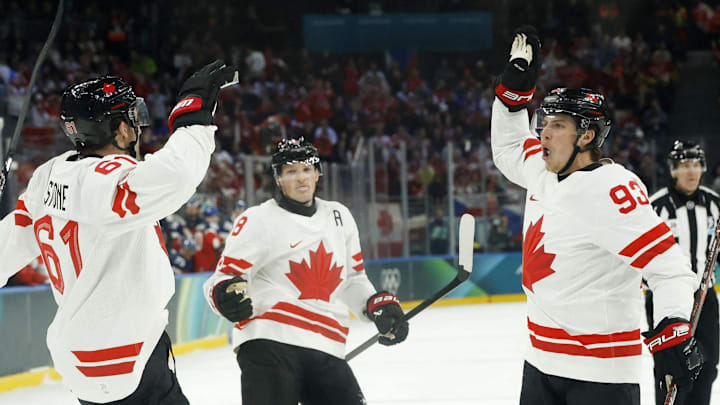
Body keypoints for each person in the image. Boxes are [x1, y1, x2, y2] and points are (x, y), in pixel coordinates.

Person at [0, 60, 236, 404]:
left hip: (76, 358)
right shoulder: (108, 179)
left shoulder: (46, 175)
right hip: (124, 352)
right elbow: (177, 175)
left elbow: (8, 246)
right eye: (132, 119)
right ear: (121, 130)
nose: (137, 128)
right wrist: (193, 114)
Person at [491, 26, 702, 405]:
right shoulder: (542, 170)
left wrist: (672, 323)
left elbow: (668, 268)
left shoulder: (611, 189)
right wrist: (512, 98)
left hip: (599, 376)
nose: (544, 134)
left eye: (558, 125)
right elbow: (507, 148)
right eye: (544, 123)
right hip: (539, 363)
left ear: (587, 136)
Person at [203, 137, 409, 404]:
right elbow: (223, 279)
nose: (301, 178)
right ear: (278, 179)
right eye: (291, 171)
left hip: (325, 345)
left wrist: (375, 305)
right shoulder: (258, 219)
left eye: (306, 169)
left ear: (317, 173)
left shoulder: (339, 216)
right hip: (269, 340)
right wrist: (224, 295)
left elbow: (352, 279)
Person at [646, 140, 720, 405]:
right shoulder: (656, 207)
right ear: (673, 170)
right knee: (671, 367)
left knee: (708, 365)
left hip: (706, 299)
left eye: (697, 165)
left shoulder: (714, 204)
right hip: (666, 301)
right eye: (685, 165)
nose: (692, 171)